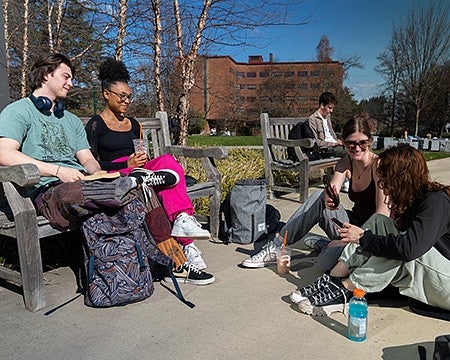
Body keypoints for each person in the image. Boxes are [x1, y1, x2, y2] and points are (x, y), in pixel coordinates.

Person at [0, 53, 214, 286]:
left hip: (85, 185)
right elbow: (4, 153)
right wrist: (58, 171)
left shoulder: (70, 120)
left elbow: (89, 161)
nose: (71, 83)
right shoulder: (18, 111)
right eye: (66, 77)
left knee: (143, 192)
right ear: (45, 75)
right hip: (48, 191)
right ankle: (131, 182)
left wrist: (100, 173)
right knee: (78, 191)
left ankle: (178, 263)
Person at [294, 143, 450, 316]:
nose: (381, 183)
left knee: (401, 246)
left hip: (446, 282)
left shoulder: (436, 203)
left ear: (401, 178)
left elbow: (408, 249)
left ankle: (345, 289)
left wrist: (363, 238)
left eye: (385, 177)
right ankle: (334, 277)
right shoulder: (415, 200)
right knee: (379, 222)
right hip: (433, 274)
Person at [85, 58, 210, 270]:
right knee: (165, 180)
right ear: (106, 94)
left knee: (167, 161)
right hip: (118, 173)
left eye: (129, 97)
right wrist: (126, 162)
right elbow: (94, 165)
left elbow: (140, 149)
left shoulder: (133, 124)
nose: (126, 101)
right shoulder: (96, 124)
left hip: (140, 169)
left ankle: (182, 220)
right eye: (122, 96)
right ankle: (186, 246)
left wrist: (138, 160)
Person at [241, 114, 390, 272]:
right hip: (350, 224)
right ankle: (279, 245)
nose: (357, 148)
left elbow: (382, 216)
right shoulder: (345, 163)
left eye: (362, 143)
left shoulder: (378, 166)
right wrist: (329, 199)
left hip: (370, 234)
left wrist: (357, 238)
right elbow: (331, 192)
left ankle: (324, 245)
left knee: (325, 263)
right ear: (344, 143)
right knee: (318, 196)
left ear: (370, 141)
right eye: (351, 144)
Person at [308, 91, 347, 159]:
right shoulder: (313, 119)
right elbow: (316, 142)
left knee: (357, 148)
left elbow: (331, 134)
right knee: (349, 152)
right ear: (322, 105)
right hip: (325, 149)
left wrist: (339, 141)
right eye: (329, 108)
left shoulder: (328, 117)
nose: (331, 111)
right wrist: (334, 144)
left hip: (335, 145)